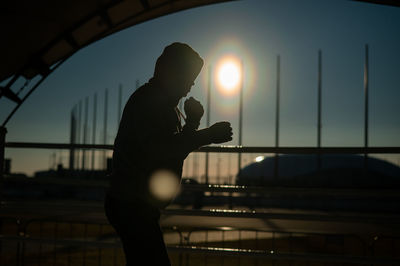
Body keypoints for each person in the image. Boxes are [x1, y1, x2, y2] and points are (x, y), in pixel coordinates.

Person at [104, 42, 233, 265]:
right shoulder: (149, 102)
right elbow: (162, 148)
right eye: (186, 79)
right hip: (132, 205)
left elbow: (171, 149)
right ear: (168, 71)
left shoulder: (161, 102)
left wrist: (192, 123)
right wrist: (207, 134)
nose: (189, 87)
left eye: (192, 81)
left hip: (134, 203)